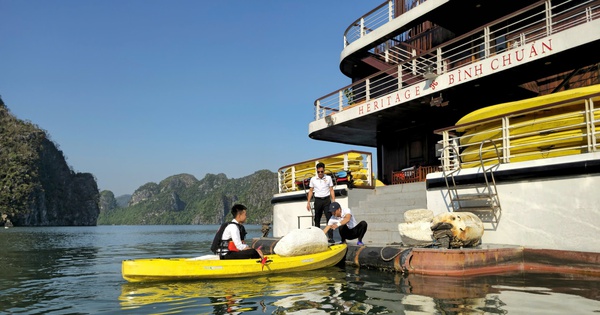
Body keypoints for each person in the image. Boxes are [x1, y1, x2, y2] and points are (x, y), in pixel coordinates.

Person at [306, 162, 335, 243]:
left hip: (327, 200)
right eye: (318, 172)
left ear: (324, 170)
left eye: (322, 171)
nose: (320, 173)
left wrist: (334, 201)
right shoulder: (313, 179)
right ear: (316, 171)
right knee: (317, 219)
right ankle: (317, 237)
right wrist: (308, 202)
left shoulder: (328, 178)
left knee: (329, 219)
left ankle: (330, 237)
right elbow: (311, 191)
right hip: (318, 200)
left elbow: (331, 190)